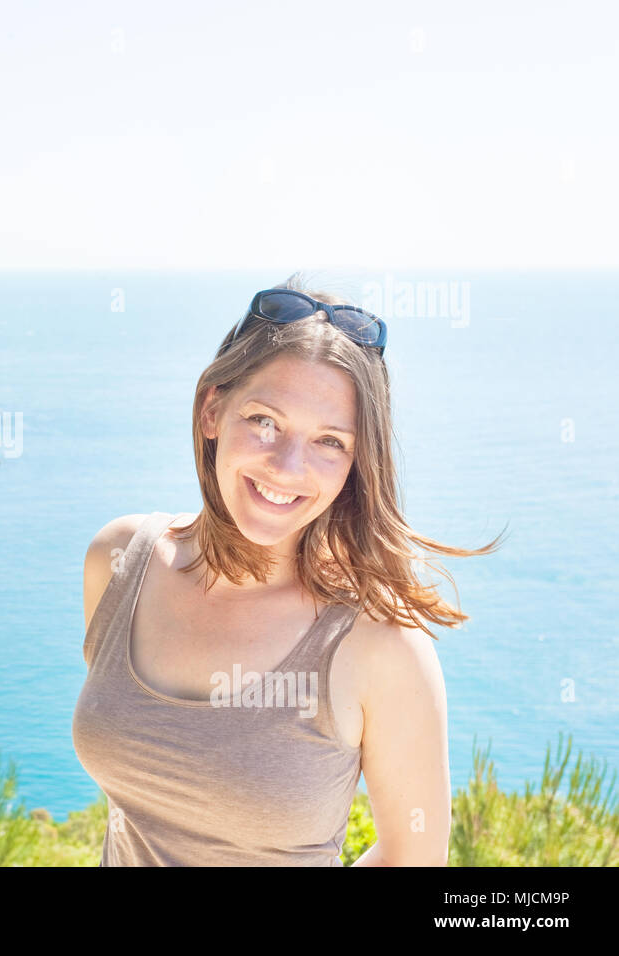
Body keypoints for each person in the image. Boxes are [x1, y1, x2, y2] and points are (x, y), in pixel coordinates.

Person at [71, 273, 504, 866]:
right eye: (265, 421)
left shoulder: (379, 639)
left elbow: (413, 856)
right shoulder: (120, 561)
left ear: (356, 463)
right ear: (212, 411)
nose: (287, 467)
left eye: (330, 441)